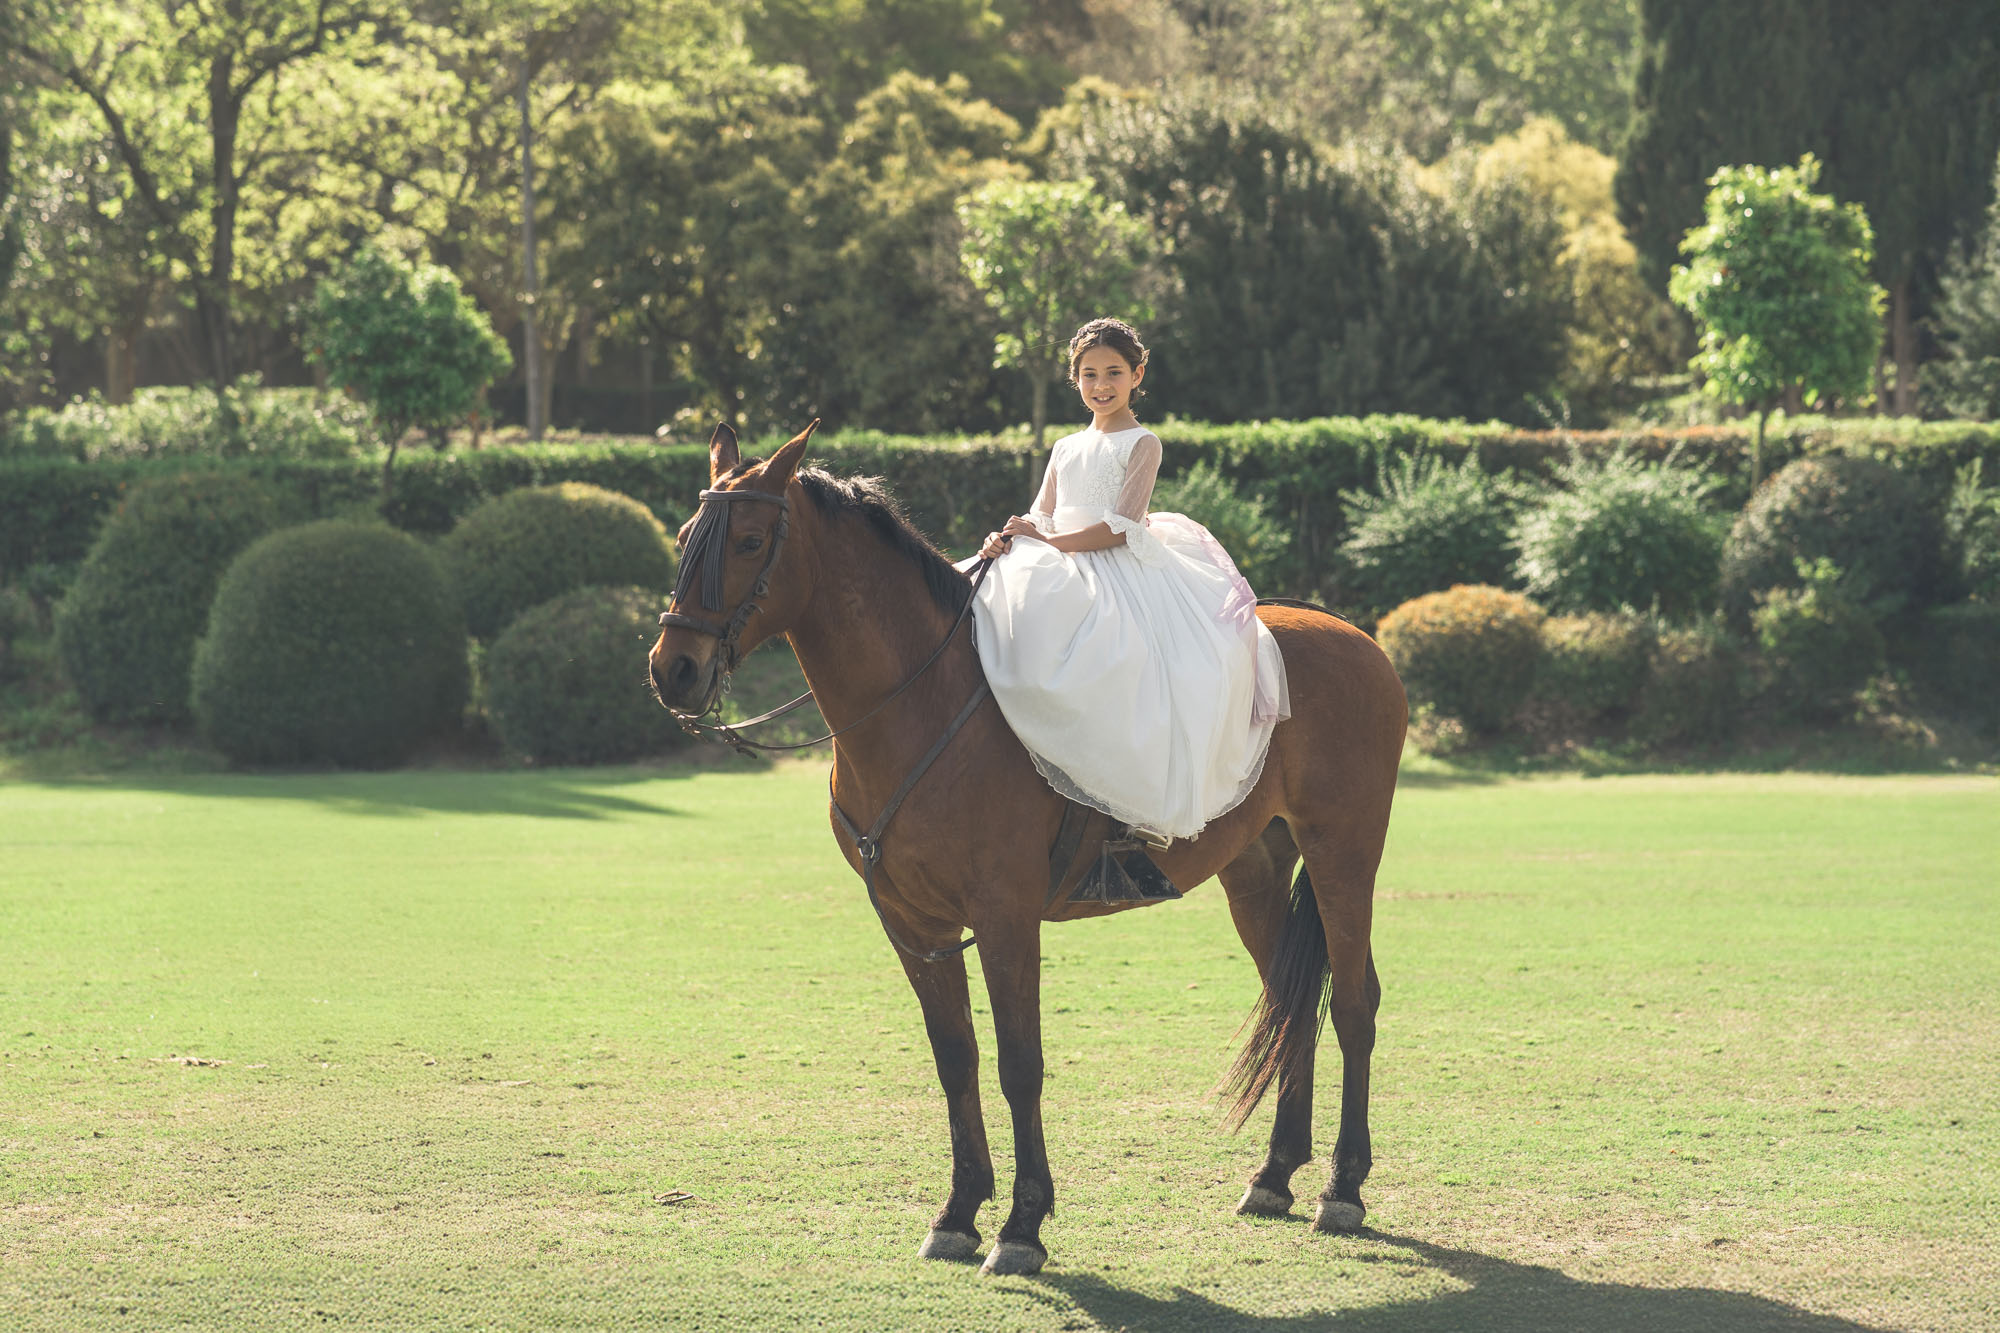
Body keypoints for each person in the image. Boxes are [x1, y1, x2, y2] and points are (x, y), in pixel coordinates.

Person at [970, 317, 1289, 845]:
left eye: (1114, 373)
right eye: (1089, 374)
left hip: (1116, 567)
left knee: (1126, 665)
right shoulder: (1066, 446)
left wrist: (1048, 544)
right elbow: (1040, 515)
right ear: (1074, 380)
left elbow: (1121, 526)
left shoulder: (1143, 443)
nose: (1101, 386)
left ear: (1137, 374)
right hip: (1060, 557)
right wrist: (1011, 538)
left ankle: (1131, 810)